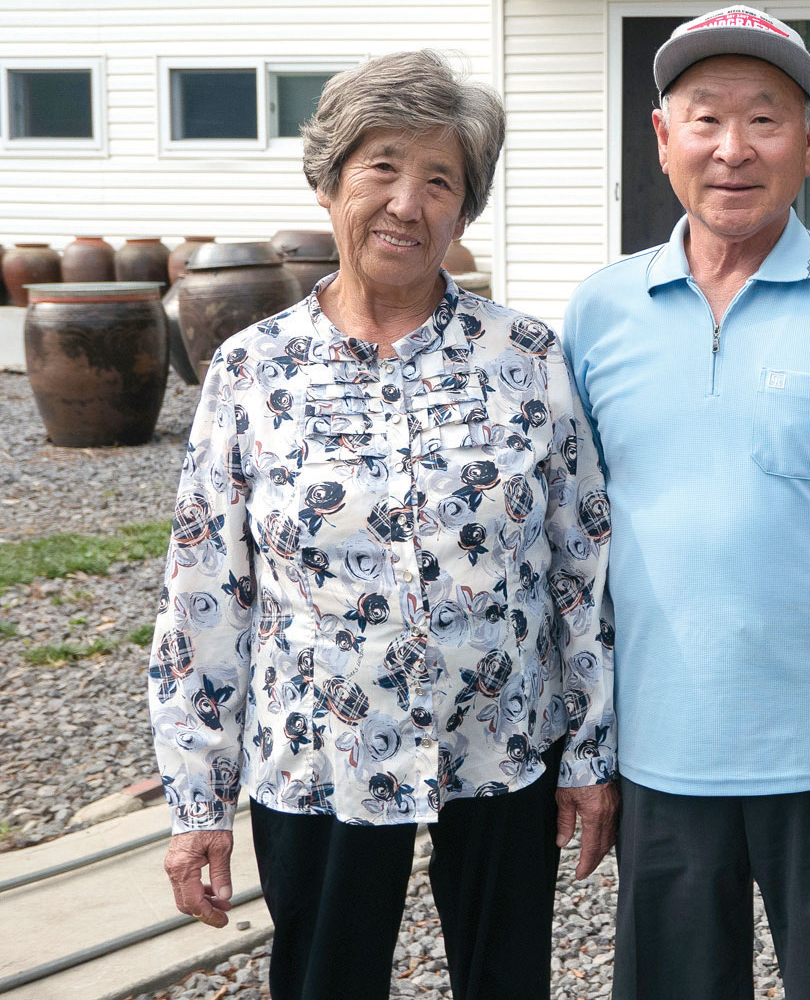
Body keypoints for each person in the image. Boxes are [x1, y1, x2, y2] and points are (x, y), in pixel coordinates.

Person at [147, 49, 616, 1000]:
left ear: (464, 210)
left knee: (508, 982)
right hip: (319, 749)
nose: (407, 202)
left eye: (439, 179)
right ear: (329, 182)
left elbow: (583, 563)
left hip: (503, 744)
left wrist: (592, 750)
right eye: (382, 167)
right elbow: (205, 589)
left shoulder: (527, 358)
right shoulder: (251, 371)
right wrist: (198, 799)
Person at [561, 5, 810, 1000]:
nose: (732, 150)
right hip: (663, 749)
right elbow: (576, 542)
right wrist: (583, 740)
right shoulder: (598, 311)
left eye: (765, 119)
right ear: (662, 138)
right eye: (704, 119)